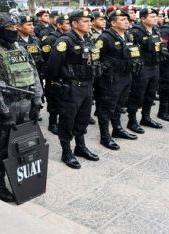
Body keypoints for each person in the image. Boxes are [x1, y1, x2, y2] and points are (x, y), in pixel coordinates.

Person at [0, 13, 43, 202]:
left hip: (26, 103)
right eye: (10, 29)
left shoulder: (21, 49)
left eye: (16, 28)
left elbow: (34, 74)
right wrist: (5, 112)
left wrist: (37, 100)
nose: (14, 32)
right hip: (5, 108)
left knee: (24, 144)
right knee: (0, 148)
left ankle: (20, 178)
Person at [46, 10, 100, 169]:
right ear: (75, 23)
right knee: (68, 119)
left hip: (87, 85)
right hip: (71, 87)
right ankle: (66, 151)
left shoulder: (87, 39)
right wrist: (56, 84)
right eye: (85, 21)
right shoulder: (65, 41)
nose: (90, 23)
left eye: (90, 20)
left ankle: (80, 146)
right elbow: (52, 67)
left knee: (83, 117)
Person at [95, 10, 142, 150]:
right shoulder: (105, 38)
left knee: (119, 105)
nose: (126, 21)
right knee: (107, 107)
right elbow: (95, 59)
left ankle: (117, 129)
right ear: (113, 22)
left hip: (126, 75)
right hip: (111, 78)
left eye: (127, 19)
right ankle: (105, 136)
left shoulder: (128, 36)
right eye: (122, 19)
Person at [126, 8, 164, 134]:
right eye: (152, 16)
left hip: (154, 66)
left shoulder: (155, 30)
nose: (155, 18)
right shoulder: (135, 32)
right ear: (143, 19)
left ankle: (146, 117)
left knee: (151, 93)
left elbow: (159, 45)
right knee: (137, 94)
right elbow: (131, 50)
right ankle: (132, 120)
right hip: (142, 67)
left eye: (156, 16)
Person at [41, 14, 70, 134]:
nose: (70, 25)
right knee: (53, 100)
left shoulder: (70, 38)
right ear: (59, 25)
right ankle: (52, 123)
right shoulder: (50, 39)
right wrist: (51, 77)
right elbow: (46, 60)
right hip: (53, 75)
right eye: (67, 23)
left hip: (65, 74)